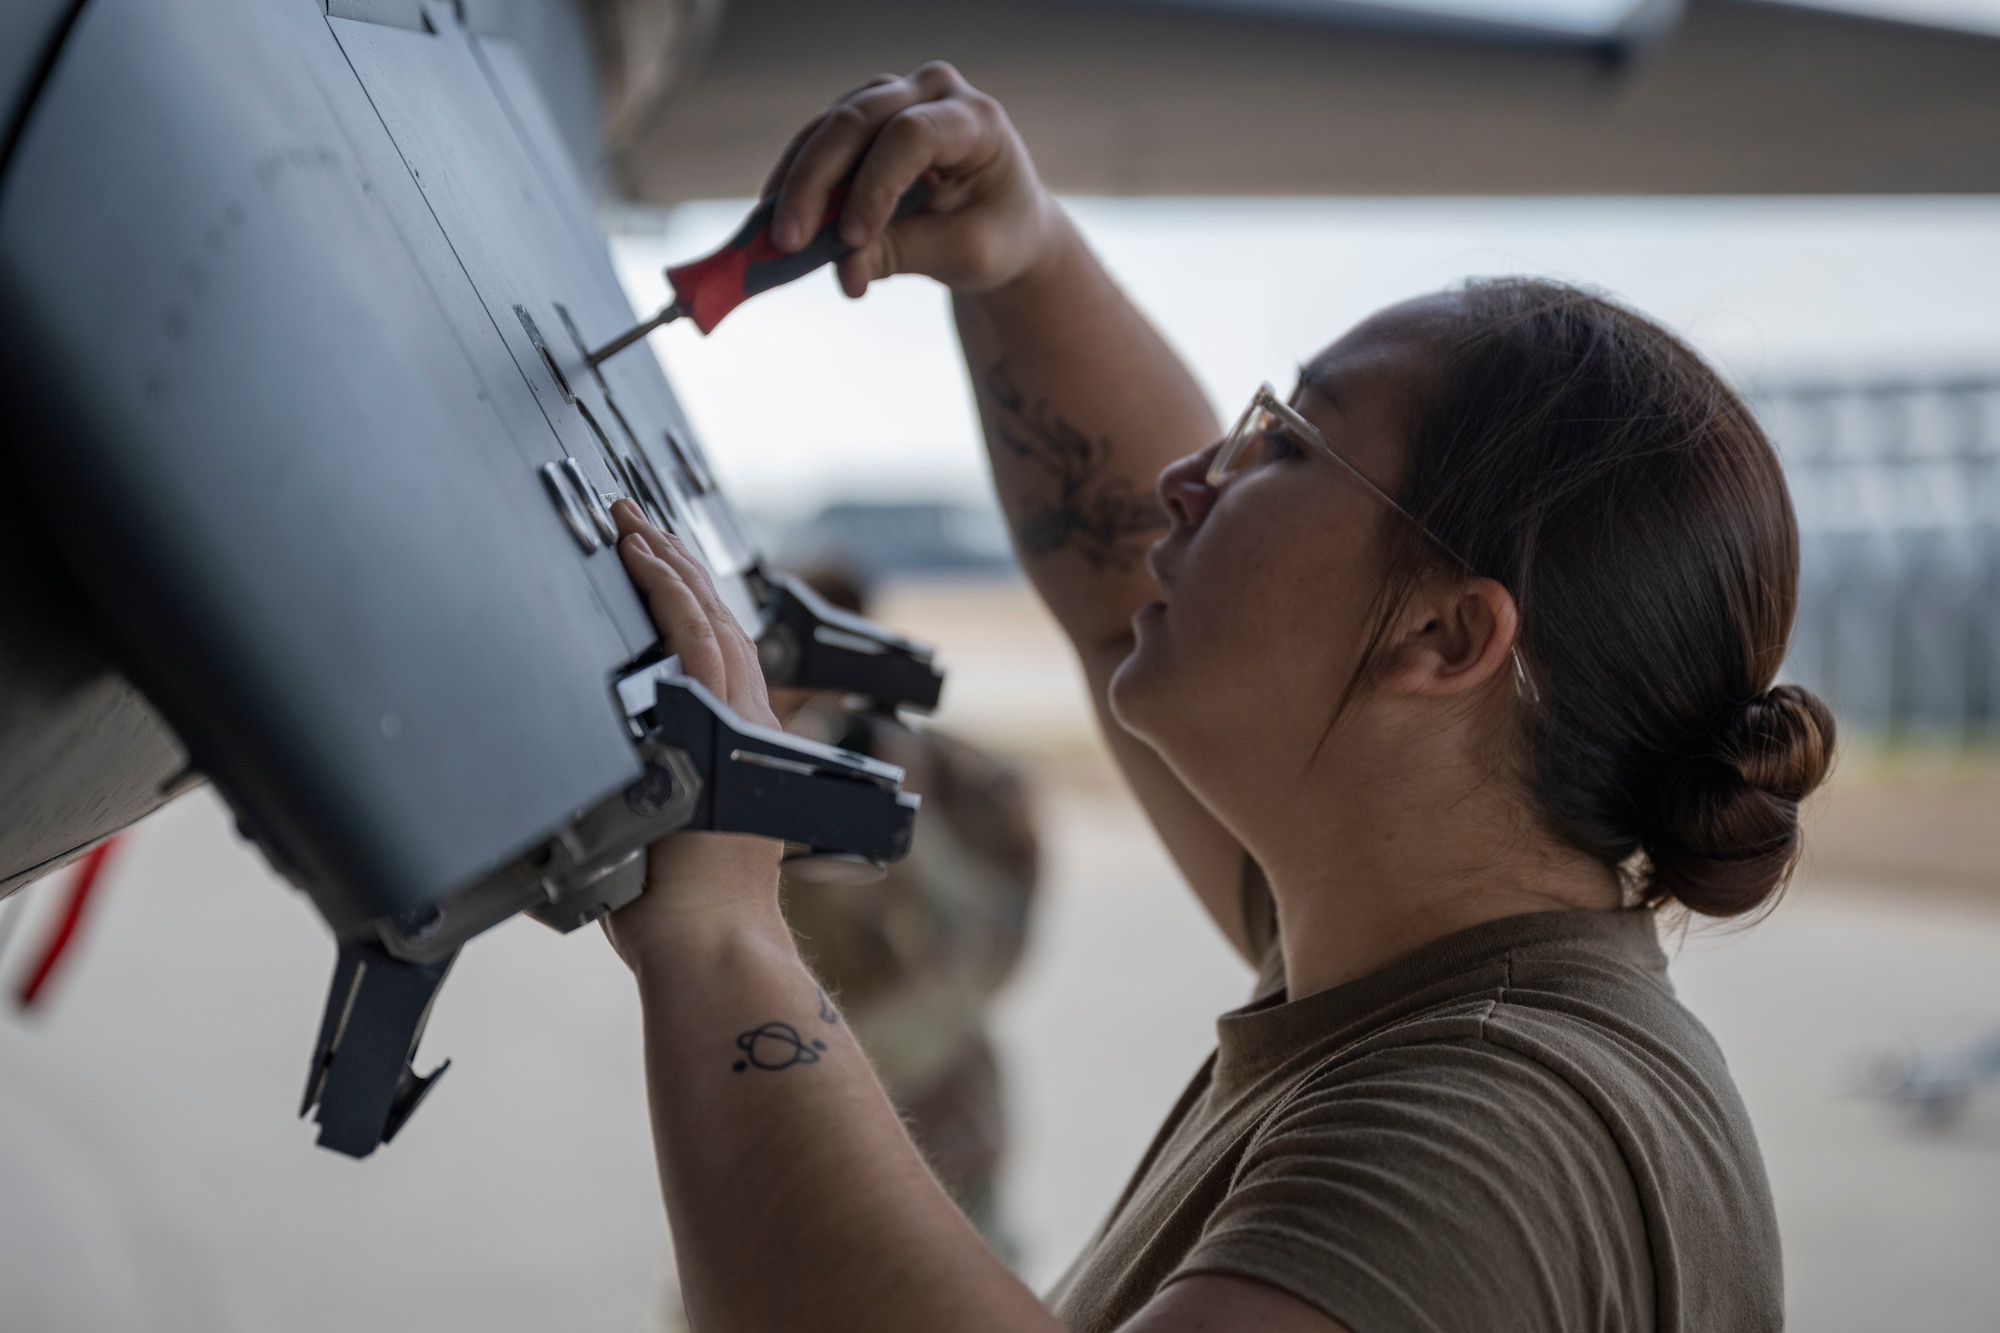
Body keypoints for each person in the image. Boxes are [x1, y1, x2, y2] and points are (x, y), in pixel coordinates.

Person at [600, 62, 1832, 1333]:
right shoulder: (1402, 961)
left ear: (1444, 632)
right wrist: (1021, 255)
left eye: (1287, 442)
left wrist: (720, 931)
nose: (1195, 475)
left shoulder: (1487, 1135)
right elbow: (1111, 575)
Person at [769, 565, 1040, 1252]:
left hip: (934, 1130)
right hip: (773, 1128)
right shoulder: (745, 781)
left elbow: (990, 956)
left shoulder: (964, 780)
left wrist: (904, 823)